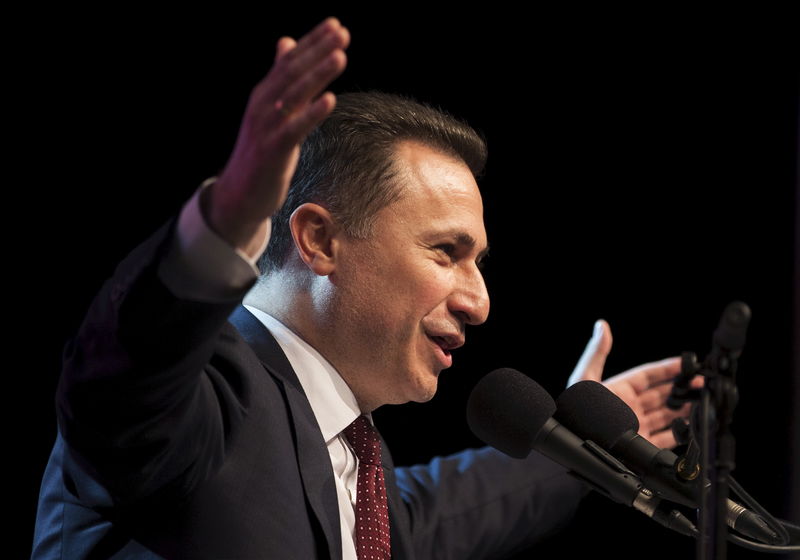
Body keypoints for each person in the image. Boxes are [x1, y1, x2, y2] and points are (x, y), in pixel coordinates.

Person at [32, 17, 693, 559]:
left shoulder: (354, 462)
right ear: (319, 241)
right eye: (446, 252)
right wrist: (222, 223)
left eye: (479, 262)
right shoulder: (202, 395)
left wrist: (571, 450)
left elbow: (440, 509)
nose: (479, 300)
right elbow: (116, 384)